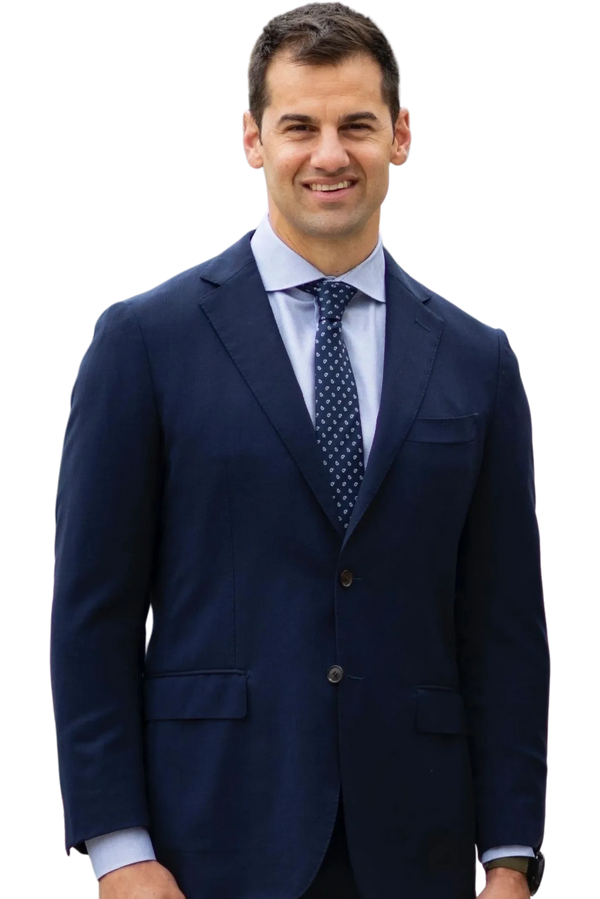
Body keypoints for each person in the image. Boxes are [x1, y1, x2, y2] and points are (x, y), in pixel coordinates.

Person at [48, 3, 551, 898]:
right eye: (298, 127)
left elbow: (505, 623)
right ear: (251, 140)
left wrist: (511, 854)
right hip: (205, 845)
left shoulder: (479, 358)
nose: (329, 155)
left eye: (356, 125)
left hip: (422, 850)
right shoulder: (142, 340)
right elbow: (92, 615)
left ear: (401, 136)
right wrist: (117, 850)